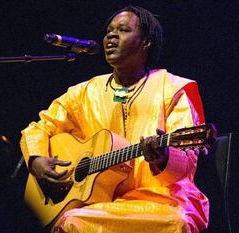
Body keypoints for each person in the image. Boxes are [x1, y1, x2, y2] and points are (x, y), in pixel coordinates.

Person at [20, 5, 209, 233]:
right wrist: (37, 159)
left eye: (122, 30)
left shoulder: (173, 88)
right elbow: (39, 128)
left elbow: (187, 160)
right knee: (72, 222)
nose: (111, 35)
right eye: (109, 31)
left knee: (176, 223)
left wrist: (164, 157)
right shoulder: (84, 92)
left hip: (163, 201)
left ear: (145, 42)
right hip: (101, 204)